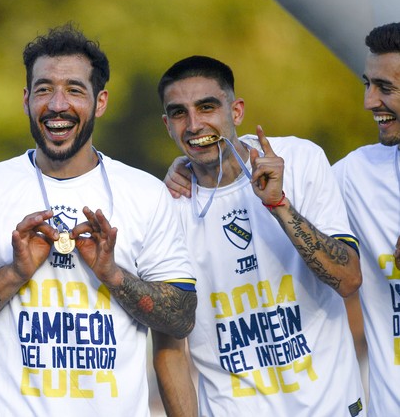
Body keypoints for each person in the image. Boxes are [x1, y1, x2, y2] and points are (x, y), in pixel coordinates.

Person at [0, 24, 197, 417]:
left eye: (74, 89)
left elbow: (182, 318)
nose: (57, 104)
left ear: (100, 101)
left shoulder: (145, 193)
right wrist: (15, 272)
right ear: (25, 99)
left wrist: (113, 275)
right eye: (43, 89)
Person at [153, 55, 365, 416]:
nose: (194, 124)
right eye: (179, 113)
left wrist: (279, 203)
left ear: (236, 111)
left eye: (207, 107)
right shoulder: (163, 207)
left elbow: (348, 279)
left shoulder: (300, 160)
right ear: (167, 125)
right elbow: (170, 347)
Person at [332, 22, 400, 417]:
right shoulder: (356, 173)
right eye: (367, 84)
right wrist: (194, 167)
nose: (370, 102)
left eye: (385, 88)